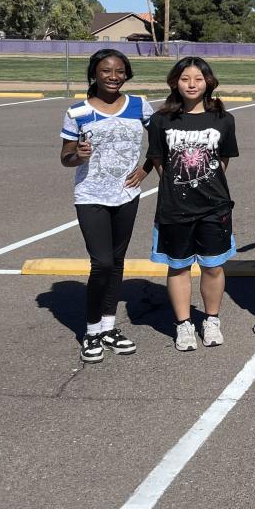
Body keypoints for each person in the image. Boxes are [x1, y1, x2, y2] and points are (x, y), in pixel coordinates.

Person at [59, 50, 153, 363]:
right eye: (106, 71)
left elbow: (160, 140)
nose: (113, 77)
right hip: (91, 195)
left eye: (119, 71)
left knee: (117, 261)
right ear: (94, 74)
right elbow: (65, 157)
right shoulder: (78, 111)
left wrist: (145, 169)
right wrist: (78, 156)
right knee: (101, 262)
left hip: (127, 193)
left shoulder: (139, 105)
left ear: (127, 74)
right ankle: (91, 332)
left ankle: (109, 328)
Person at [147, 57, 239, 352]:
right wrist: (179, 186)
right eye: (185, 78)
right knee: (178, 268)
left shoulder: (223, 119)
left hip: (214, 207)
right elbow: (159, 161)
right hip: (175, 208)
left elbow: (223, 161)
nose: (191, 84)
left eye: (198, 79)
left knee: (213, 267)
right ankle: (184, 324)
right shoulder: (161, 120)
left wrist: (205, 184)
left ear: (208, 82)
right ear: (174, 82)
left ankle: (211, 320)